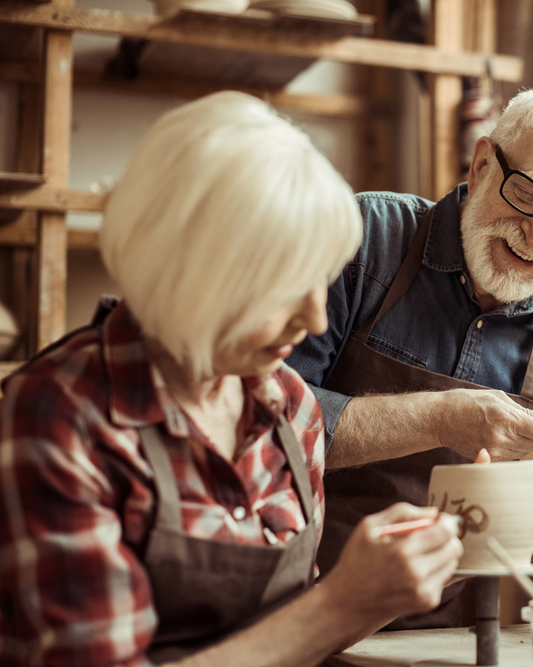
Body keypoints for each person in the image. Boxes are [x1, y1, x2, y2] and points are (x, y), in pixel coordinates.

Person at [0, 92, 462, 666]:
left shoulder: (290, 408)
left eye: (321, 280)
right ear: (186, 269)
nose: (315, 319)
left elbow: (291, 635)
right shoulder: (61, 417)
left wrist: (384, 588)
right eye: (284, 287)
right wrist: (339, 606)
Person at [287, 79, 533, 629]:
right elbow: (261, 425)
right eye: (528, 192)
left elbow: (530, 531)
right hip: (291, 610)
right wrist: (441, 418)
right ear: (481, 166)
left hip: (438, 639)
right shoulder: (363, 242)